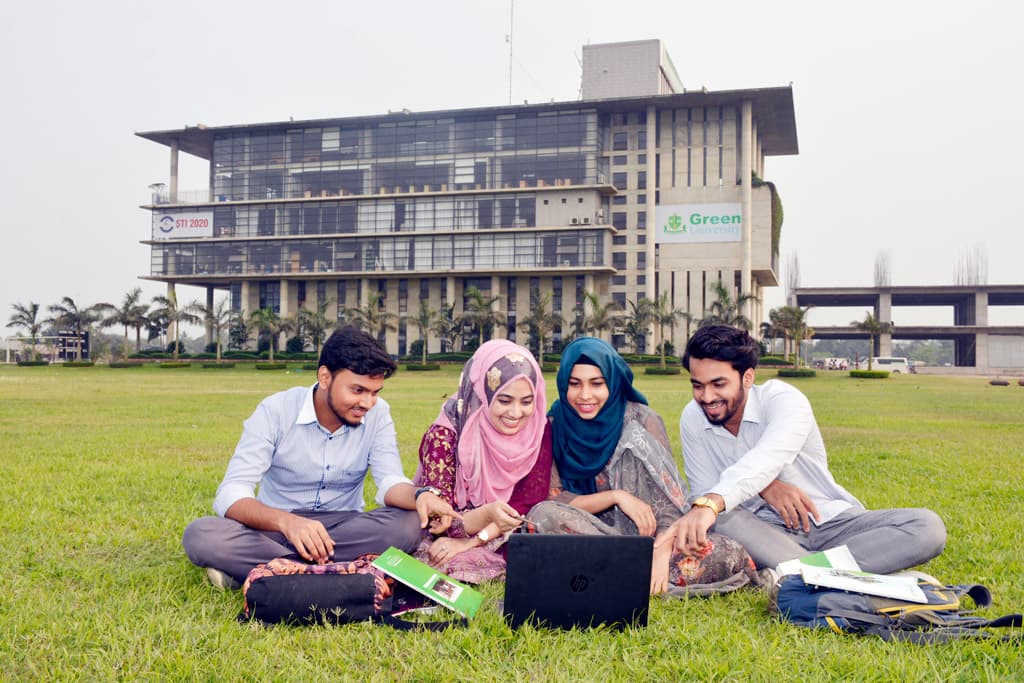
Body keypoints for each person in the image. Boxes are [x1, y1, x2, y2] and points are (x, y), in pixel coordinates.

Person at [182, 325, 458, 589]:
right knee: (202, 535)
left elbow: (390, 482)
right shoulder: (276, 410)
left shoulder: (378, 413)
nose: (367, 403)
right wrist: (287, 523)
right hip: (276, 526)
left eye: (375, 392)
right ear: (325, 377)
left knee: (408, 524)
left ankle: (272, 571)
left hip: (343, 528)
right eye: (357, 390)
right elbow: (232, 491)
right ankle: (343, 570)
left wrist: (422, 495)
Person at [671, 324, 946, 576]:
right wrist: (763, 488)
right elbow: (704, 492)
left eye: (718, 384)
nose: (706, 398)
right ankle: (825, 572)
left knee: (927, 527)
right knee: (720, 518)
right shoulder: (693, 417)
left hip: (830, 522)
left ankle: (801, 570)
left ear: (747, 377)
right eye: (698, 385)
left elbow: (769, 457)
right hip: (761, 531)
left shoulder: (783, 400)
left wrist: (752, 486)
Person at [528, 337, 759, 595]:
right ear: (563, 384)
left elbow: (672, 504)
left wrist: (660, 552)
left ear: (613, 382)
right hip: (592, 536)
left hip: (657, 541)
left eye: (597, 383)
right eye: (575, 384)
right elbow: (557, 499)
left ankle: (605, 573)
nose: (585, 395)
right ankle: (630, 571)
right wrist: (616, 496)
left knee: (729, 554)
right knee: (542, 516)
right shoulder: (554, 424)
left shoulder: (642, 421)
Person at [413, 339, 551, 583]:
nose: (516, 413)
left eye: (526, 401)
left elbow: (527, 504)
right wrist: (484, 517)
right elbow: (439, 520)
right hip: (454, 530)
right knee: (439, 558)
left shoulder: (538, 430)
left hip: (505, 532)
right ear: (482, 394)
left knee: (540, 549)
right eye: (504, 400)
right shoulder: (445, 434)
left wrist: (473, 541)